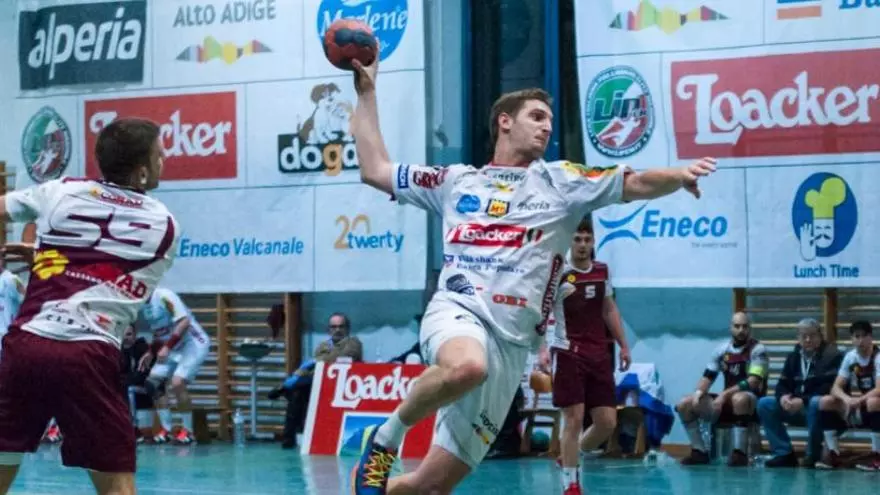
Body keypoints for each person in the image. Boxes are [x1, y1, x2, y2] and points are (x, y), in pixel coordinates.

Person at [346, 56, 717, 495]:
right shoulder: (455, 182)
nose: (547, 128)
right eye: (537, 117)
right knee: (467, 366)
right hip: (461, 311)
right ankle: (384, 439)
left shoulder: (563, 182)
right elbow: (375, 169)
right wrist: (366, 92)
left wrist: (679, 175)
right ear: (505, 122)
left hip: (513, 346)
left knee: (430, 487)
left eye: (550, 121)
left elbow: (635, 182)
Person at [0, 117, 178, 495]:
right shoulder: (165, 226)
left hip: (27, 344)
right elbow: (105, 266)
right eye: (159, 155)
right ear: (142, 170)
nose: (164, 160)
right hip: (90, 353)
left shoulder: (60, 190)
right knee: (116, 482)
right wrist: (49, 256)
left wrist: (43, 256)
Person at [541, 219, 630, 495]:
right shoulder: (558, 272)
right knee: (574, 418)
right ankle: (571, 483)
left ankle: (570, 453)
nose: (582, 245)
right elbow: (540, 313)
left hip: (598, 354)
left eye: (587, 240)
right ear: (570, 240)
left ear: (593, 242)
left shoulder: (602, 271)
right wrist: (541, 349)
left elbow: (608, 308)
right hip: (567, 352)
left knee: (607, 423)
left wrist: (624, 345)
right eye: (577, 239)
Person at [675, 312, 769, 466]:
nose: (741, 330)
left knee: (739, 398)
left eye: (745, 326)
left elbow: (753, 381)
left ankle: (740, 454)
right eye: (737, 326)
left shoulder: (758, 350)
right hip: (727, 401)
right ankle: (699, 451)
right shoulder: (721, 350)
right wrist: (698, 393)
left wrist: (724, 395)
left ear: (749, 328)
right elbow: (708, 376)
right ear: (730, 328)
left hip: (751, 402)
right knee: (684, 404)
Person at [756, 318, 841, 468]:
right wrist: (783, 397)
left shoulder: (832, 356)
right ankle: (783, 453)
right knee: (765, 404)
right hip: (797, 407)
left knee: (815, 402)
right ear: (798, 338)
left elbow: (828, 387)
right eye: (804, 336)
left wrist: (803, 401)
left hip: (822, 412)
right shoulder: (793, 357)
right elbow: (782, 384)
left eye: (812, 335)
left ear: (820, 336)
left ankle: (812, 455)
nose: (808, 340)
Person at [139, 286, 211, 444]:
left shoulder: (164, 296)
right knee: (153, 383)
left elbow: (184, 322)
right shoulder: (142, 303)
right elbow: (159, 332)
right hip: (173, 345)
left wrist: (167, 347)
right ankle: (166, 430)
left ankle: (188, 431)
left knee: (177, 382)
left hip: (193, 342)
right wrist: (151, 351)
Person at [816, 320, 880, 471]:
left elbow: (879, 389)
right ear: (852, 339)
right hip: (864, 405)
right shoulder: (851, 357)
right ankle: (833, 454)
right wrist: (848, 400)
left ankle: (877, 456)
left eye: (864, 336)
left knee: (873, 401)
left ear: (871, 337)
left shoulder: (878, 357)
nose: (860, 341)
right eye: (856, 337)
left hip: (874, 404)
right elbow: (835, 388)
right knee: (826, 401)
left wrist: (859, 400)